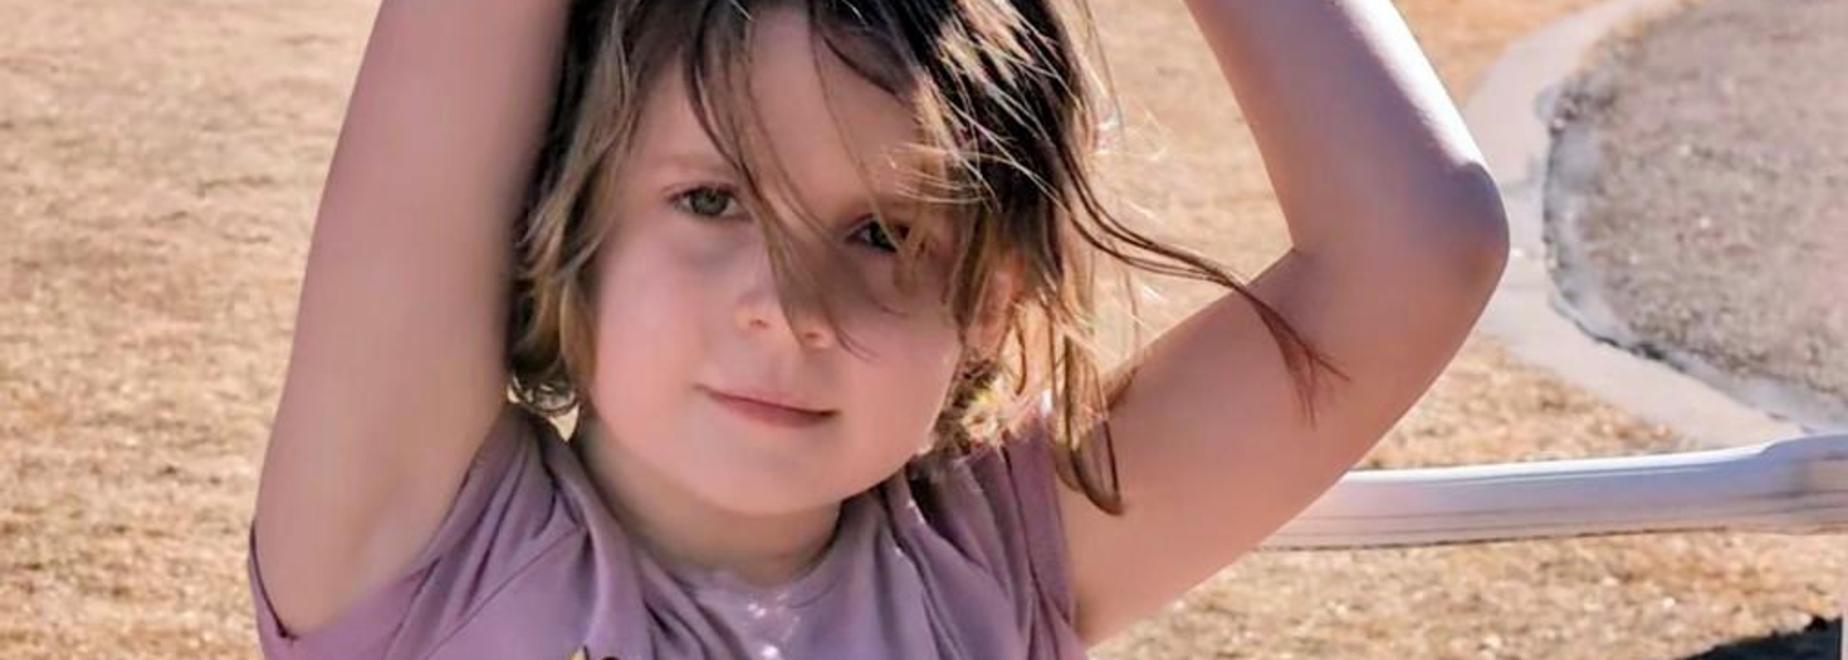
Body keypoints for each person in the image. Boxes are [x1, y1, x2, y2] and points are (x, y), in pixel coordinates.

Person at [246, 0, 1509, 657]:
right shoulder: (415, 557)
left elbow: (1416, 255)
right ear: (566, 221)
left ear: (992, 303)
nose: (791, 308)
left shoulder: (991, 568)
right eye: (710, 199)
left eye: (883, 235)